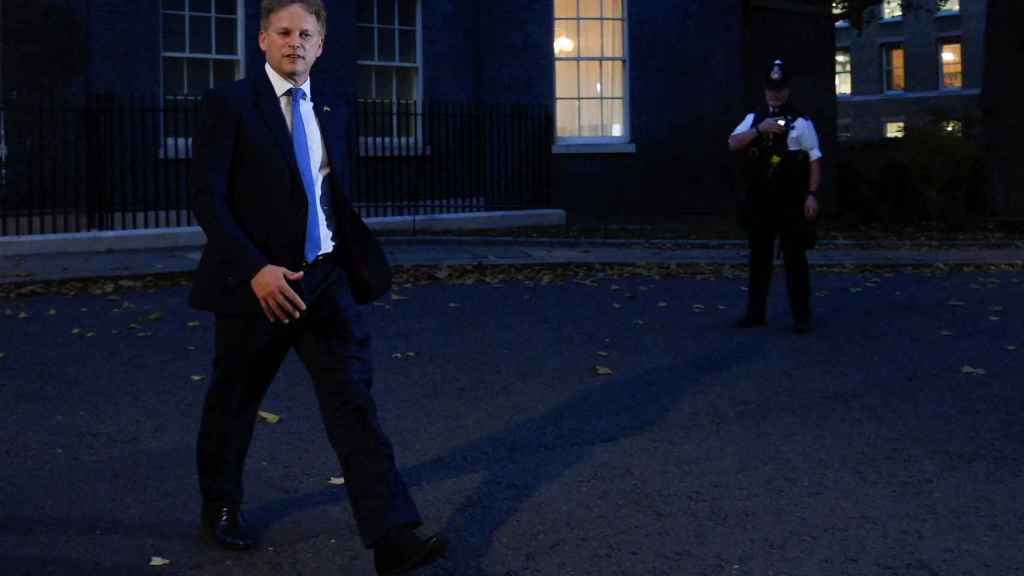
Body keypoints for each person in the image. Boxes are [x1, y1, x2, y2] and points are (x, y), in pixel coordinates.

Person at [188, 1, 446, 573]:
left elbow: (329, 192)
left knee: (354, 405)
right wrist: (255, 268)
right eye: (283, 32)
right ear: (262, 41)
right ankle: (221, 506)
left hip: (325, 279)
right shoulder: (229, 105)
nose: (294, 43)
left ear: (321, 45)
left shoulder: (333, 105)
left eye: (306, 34)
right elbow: (209, 198)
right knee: (235, 400)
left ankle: (393, 537)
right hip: (260, 283)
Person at [729, 59, 821, 334]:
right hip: (761, 200)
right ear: (765, 90)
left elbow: (815, 159)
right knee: (759, 259)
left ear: (787, 89)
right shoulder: (755, 117)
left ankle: (801, 317)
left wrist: (812, 194)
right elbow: (733, 143)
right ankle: (755, 314)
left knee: (795, 260)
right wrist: (760, 129)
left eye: (780, 88)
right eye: (771, 88)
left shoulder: (802, 122)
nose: (775, 93)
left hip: (791, 199)